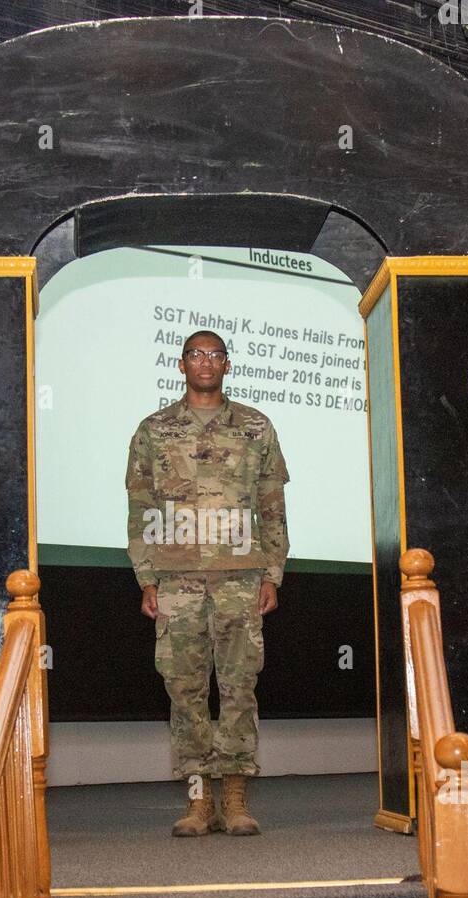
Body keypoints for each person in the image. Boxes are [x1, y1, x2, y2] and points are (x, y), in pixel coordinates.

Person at [126, 329, 290, 836]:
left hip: (241, 577)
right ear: (181, 365)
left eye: (215, 355)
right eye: (196, 354)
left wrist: (272, 571)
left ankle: (236, 801)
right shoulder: (154, 430)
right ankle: (198, 803)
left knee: (239, 687)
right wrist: (147, 577)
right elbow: (142, 508)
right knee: (185, 691)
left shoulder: (256, 427)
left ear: (227, 365)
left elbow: (272, 507)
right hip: (176, 579)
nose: (205, 362)